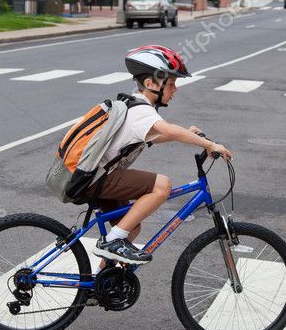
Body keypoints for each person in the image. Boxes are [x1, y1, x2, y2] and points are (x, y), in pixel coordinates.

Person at [88, 45, 233, 265]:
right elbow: (168, 129)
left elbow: (155, 136)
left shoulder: (135, 107)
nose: (175, 89)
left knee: (131, 227)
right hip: (98, 179)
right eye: (172, 84)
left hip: (97, 177)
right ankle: (112, 241)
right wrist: (211, 144)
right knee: (162, 185)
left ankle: (99, 282)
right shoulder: (141, 110)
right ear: (150, 84)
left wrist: (188, 134)